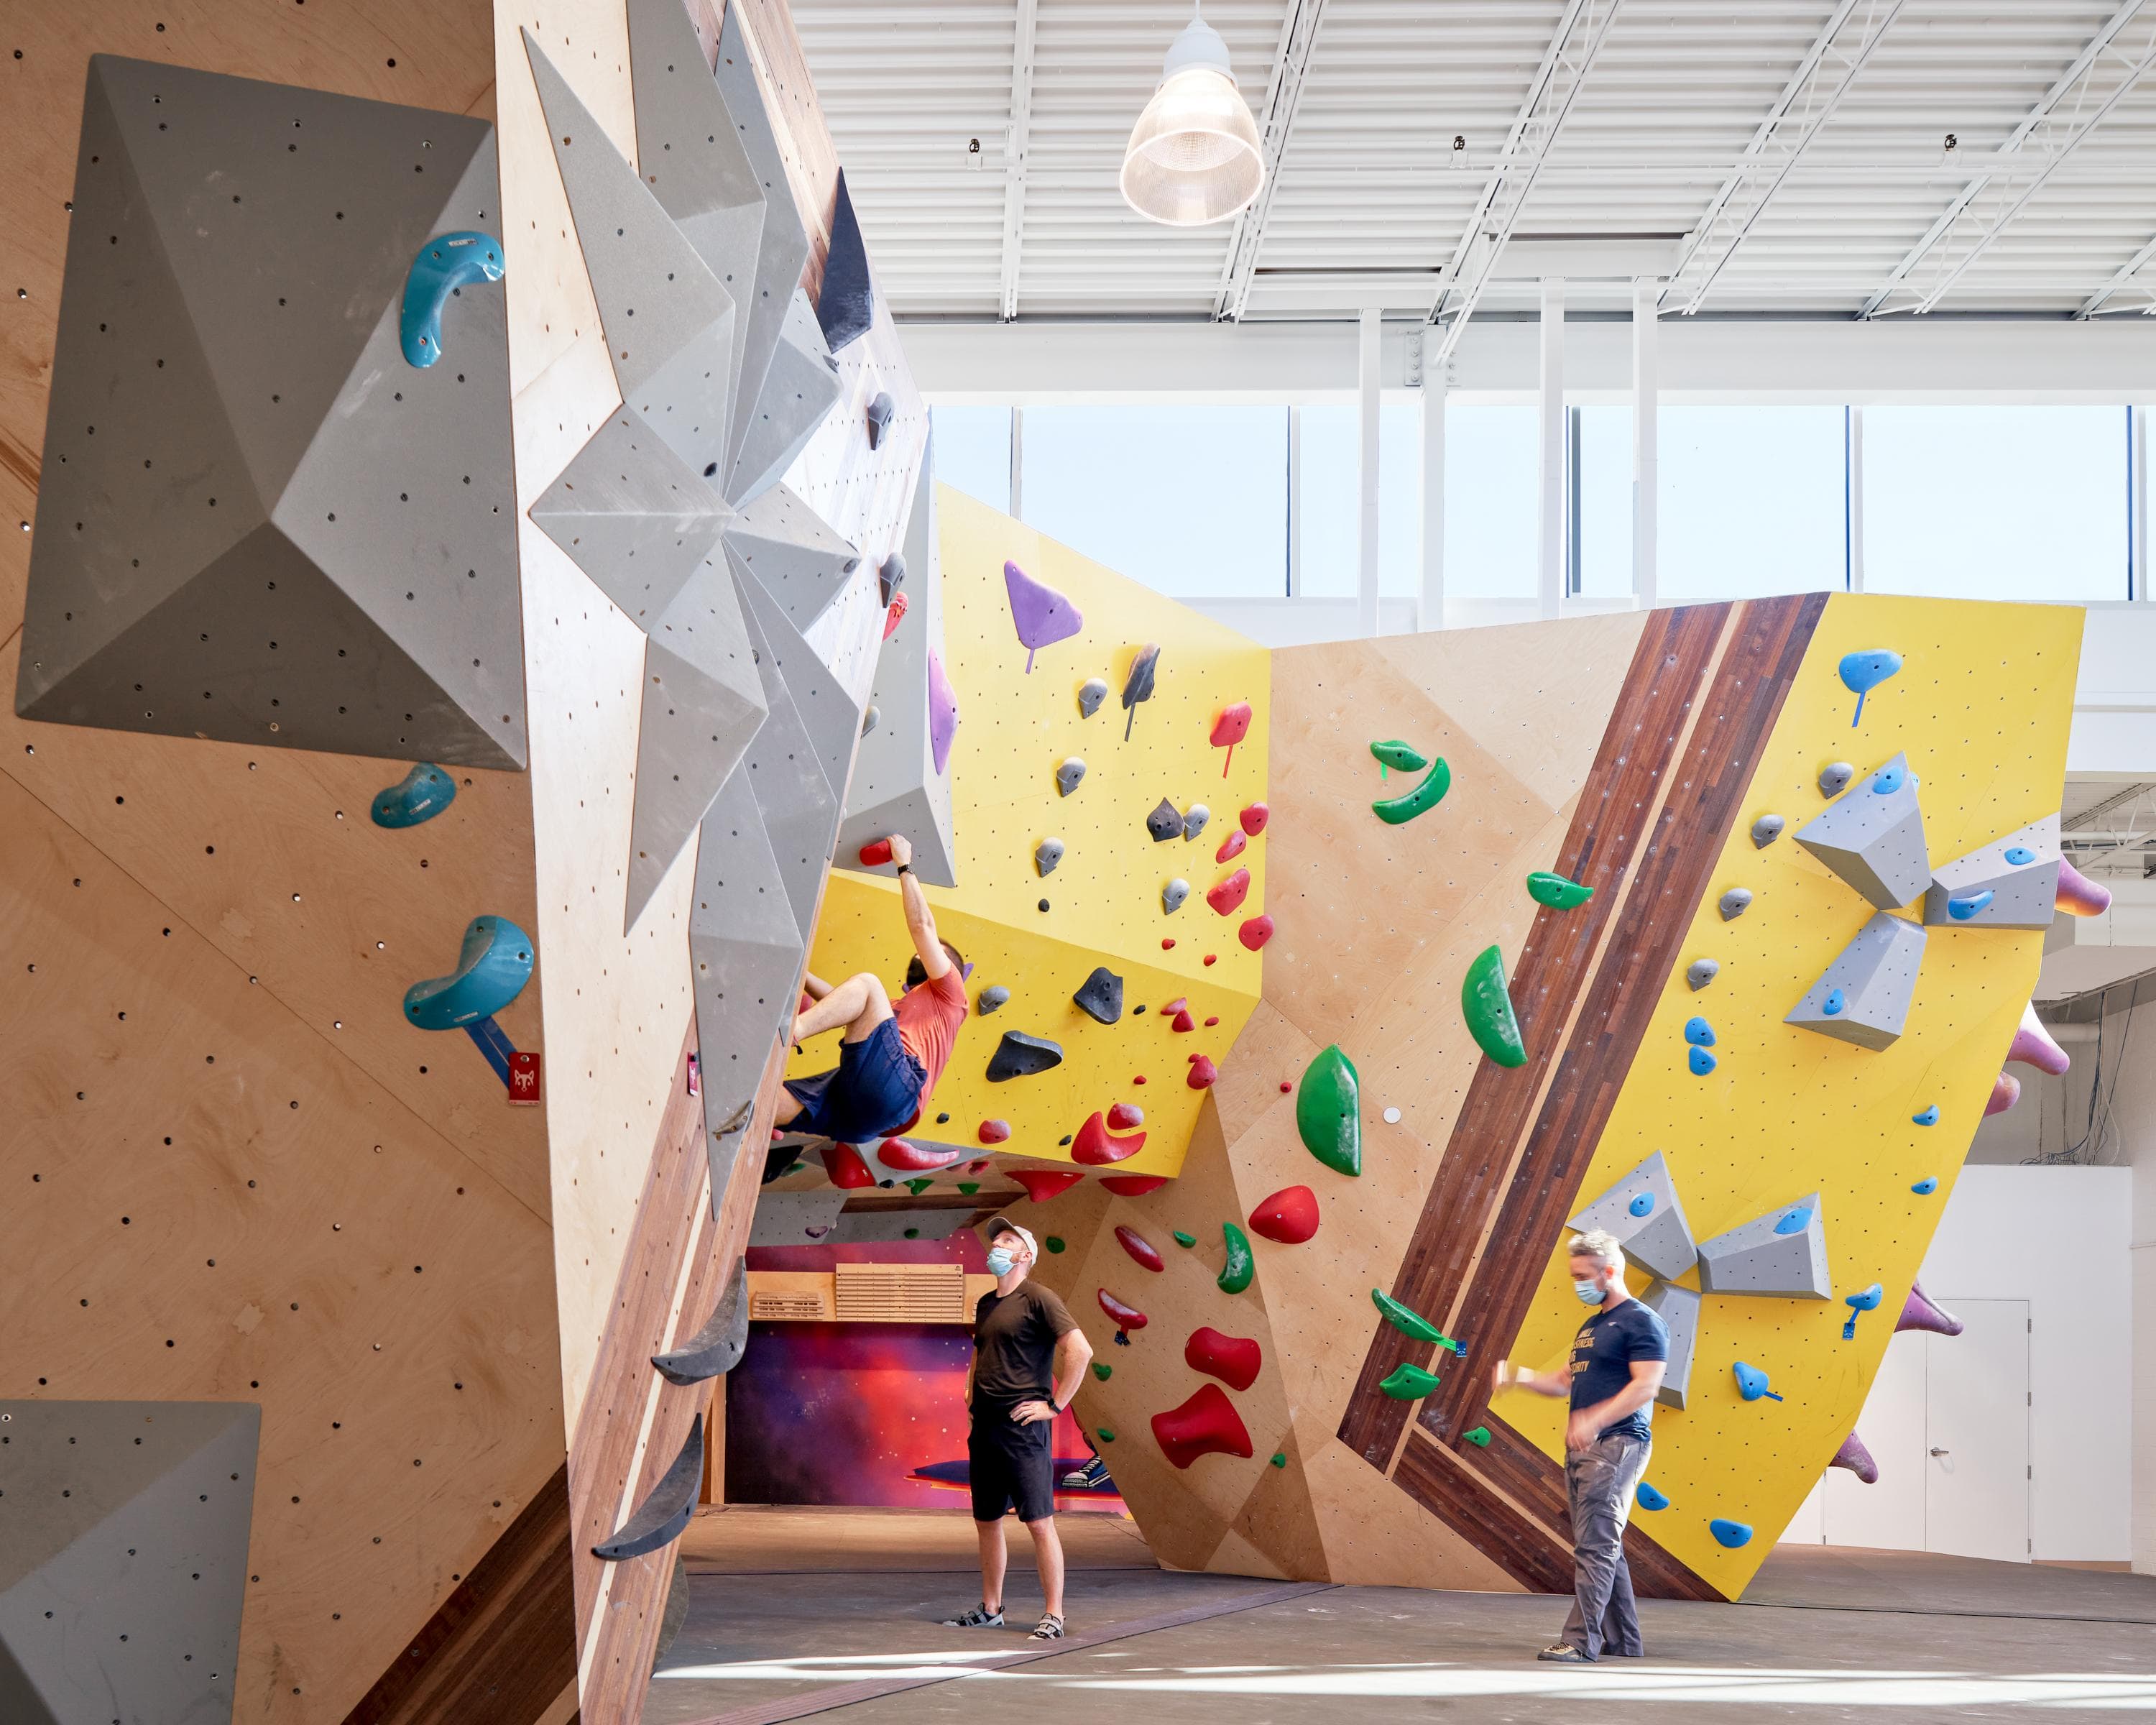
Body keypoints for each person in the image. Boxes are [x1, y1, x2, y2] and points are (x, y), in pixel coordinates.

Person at [1494, 1227, 1668, 1665]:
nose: (1577, 1285)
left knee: (1596, 1546)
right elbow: (1563, 1381)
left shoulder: (1642, 1321)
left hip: (1618, 1443)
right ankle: (1625, 1642)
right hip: (1587, 1449)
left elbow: (1647, 1386)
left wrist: (1594, 1419)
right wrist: (1519, 1377)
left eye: (1582, 1275)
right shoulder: (1592, 1326)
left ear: (1609, 1272)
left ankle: (1579, 1642)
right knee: (1603, 1543)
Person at [941, 1218, 1094, 1640]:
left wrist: (1055, 1406)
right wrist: (970, 1397)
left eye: (1008, 1240)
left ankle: (1054, 1614)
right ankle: (992, 1609)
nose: (997, 1245)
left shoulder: (1040, 1298)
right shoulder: (987, 1303)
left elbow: (1081, 1351)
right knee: (987, 1520)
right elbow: (980, 1353)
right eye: (996, 1240)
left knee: (1039, 1521)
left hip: (1023, 1428)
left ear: (1026, 1254)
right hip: (986, 1428)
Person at [773, 833, 967, 1150]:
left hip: (899, 1089)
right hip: (870, 1110)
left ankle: (791, 1032)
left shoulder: (951, 995)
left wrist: (904, 864)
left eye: (938, 953)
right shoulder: (895, 1009)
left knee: (868, 983)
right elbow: (840, 1001)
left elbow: (923, 927)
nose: (925, 953)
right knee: (770, 1101)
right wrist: (801, 973)